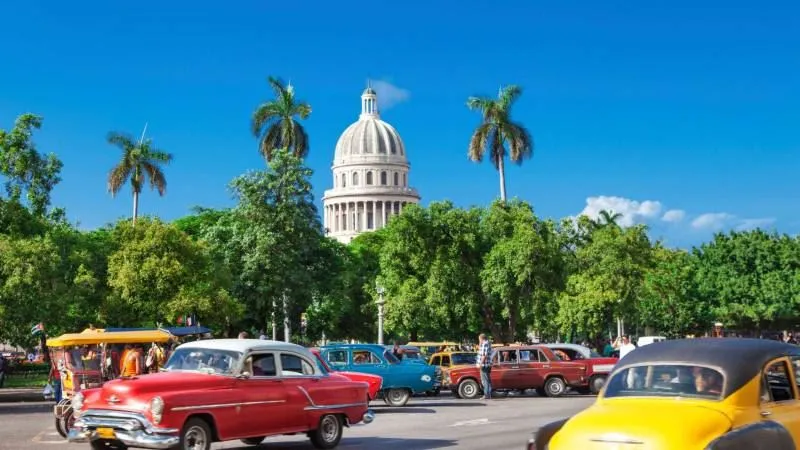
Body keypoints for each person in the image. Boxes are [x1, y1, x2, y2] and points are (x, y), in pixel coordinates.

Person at [477, 333, 492, 400]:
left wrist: (480, 364)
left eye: (479, 339)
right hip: (487, 364)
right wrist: (480, 344)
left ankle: (486, 395)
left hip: (484, 365)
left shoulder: (485, 344)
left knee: (485, 380)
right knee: (487, 380)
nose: (479, 340)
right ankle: (488, 394)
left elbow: (484, 355)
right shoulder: (487, 343)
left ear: (481, 338)